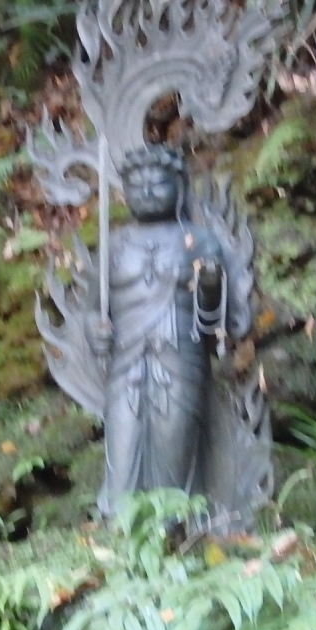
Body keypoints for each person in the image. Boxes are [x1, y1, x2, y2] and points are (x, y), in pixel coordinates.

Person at [89, 146, 250, 516]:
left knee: (172, 446)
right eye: (136, 185)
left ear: (179, 186)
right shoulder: (113, 247)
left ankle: (173, 526)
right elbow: (91, 311)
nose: (146, 191)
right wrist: (96, 334)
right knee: (122, 449)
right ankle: (123, 526)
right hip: (125, 363)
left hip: (179, 356)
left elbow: (215, 323)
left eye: (157, 183)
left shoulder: (199, 242)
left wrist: (210, 289)